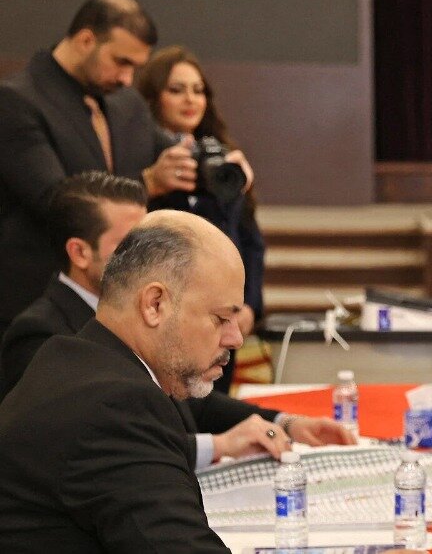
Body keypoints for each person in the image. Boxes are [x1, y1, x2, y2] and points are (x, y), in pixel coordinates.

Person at [0, 172, 352, 466]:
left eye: (150, 238)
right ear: (78, 251)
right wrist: (218, 446)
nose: (147, 254)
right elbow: (101, 441)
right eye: (128, 243)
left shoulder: (145, 320)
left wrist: (283, 423)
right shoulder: (40, 332)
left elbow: (192, 402)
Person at [0, 210, 249, 550]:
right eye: (222, 318)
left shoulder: (75, 359)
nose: (235, 338)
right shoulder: (117, 405)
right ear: (155, 304)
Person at [0, 0, 199, 337]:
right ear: (86, 39)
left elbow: (174, 151)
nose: (127, 78)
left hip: (117, 308)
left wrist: (216, 159)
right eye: (121, 61)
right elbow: (56, 200)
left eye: (135, 67)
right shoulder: (17, 100)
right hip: (36, 309)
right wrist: (147, 184)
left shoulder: (127, 103)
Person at [135, 46, 262, 393]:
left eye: (198, 89)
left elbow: (250, 242)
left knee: (217, 406)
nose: (190, 99)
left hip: (222, 317)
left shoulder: (222, 157)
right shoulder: (137, 156)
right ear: (153, 97)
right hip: (164, 320)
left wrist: (249, 305)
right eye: (176, 90)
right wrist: (151, 182)